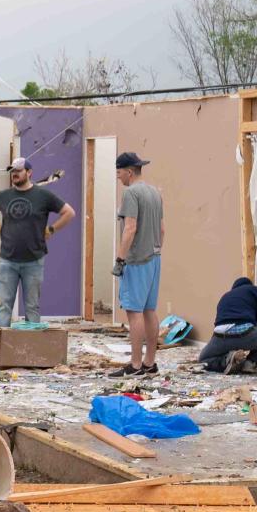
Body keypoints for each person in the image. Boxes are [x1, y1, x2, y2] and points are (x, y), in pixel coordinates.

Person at [0, 157, 75, 333]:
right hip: (7, 260)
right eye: (13, 172)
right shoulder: (4, 196)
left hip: (34, 260)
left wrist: (52, 229)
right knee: (4, 307)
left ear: (29, 172)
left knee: (32, 308)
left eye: (18, 171)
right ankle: (1, 350)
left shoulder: (43, 196)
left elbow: (69, 212)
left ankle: (31, 352)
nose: (15, 174)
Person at [108, 152, 165, 378]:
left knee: (134, 313)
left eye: (119, 172)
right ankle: (150, 363)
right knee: (150, 310)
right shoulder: (154, 193)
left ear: (129, 172)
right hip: (154, 257)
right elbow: (162, 230)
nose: (118, 177)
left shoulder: (130, 193)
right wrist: (157, 251)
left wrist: (121, 259)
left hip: (136, 260)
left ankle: (135, 365)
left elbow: (130, 228)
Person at [197, 278, 257, 374]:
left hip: (221, 337)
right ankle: (250, 362)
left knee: (204, 359)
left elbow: (220, 323)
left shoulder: (225, 296)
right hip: (248, 336)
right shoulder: (253, 290)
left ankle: (228, 360)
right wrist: (256, 318)